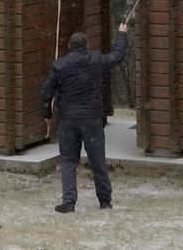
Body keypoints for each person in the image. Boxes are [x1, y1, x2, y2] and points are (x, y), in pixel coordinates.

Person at [39, 22, 130, 213]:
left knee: (69, 161)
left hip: (68, 122)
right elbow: (117, 56)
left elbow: (46, 92)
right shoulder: (95, 61)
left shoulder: (60, 66)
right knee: (98, 161)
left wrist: (46, 114)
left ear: (69, 47)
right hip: (92, 121)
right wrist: (122, 34)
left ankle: (69, 201)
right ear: (87, 45)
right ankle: (104, 201)